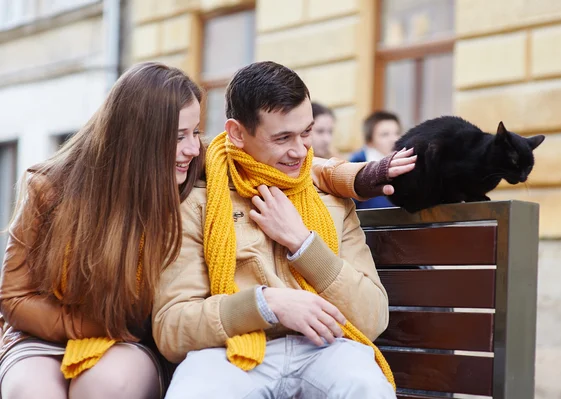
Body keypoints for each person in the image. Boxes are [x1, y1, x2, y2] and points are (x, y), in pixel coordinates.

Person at [0, 62, 413, 399]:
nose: (194, 146)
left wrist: (353, 185)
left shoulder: (199, 170)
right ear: (138, 140)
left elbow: (293, 166)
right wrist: (87, 327)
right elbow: (13, 296)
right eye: (179, 135)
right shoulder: (62, 186)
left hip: (133, 340)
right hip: (68, 333)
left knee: (107, 384)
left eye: (195, 132)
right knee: (34, 393)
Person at [152, 61, 411, 399]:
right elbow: (172, 328)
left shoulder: (329, 195)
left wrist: (303, 244)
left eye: (306, 133)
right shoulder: (198, 197)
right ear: (237, 133)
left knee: (365, 386)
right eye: (282, 138)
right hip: (231, 351)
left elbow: (373, 317)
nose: (300, 151)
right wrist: (265, 305)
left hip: (326, 348)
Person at [349, 111, 406, 209]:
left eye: (397, 133)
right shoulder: (356, 165)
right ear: (370, 141)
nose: (394, 139)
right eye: (385, 134)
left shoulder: (405, 163)